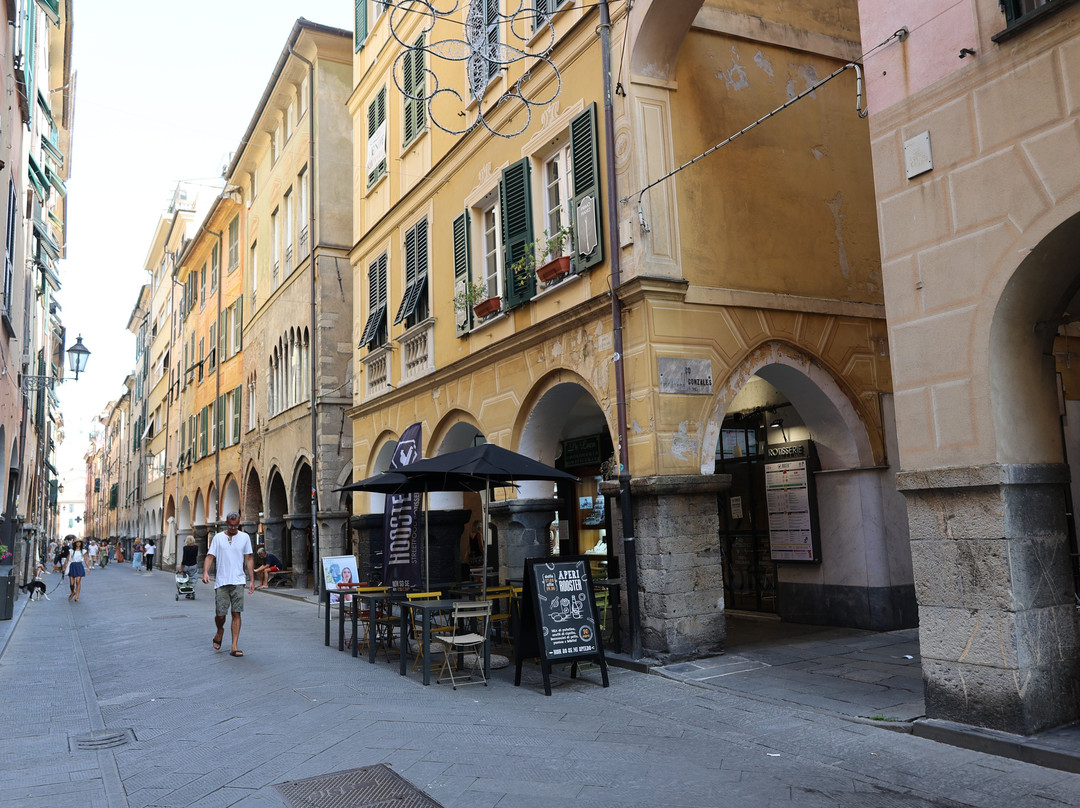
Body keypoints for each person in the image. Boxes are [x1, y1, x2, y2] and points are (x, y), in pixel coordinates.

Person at [203, 512, 254, 657]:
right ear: (226, 523)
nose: (233, 527)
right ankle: (220, 630)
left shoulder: (244, 537)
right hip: (222, 581)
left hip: (238, 580)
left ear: (239, 523)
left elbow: (249, 558)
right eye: (231, 525)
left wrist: (251, 580)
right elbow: (210, 556)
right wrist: (205, 572)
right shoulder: (218, 538)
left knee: (236, 613)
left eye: (236, 525)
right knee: (220, 614)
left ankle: (234, 646)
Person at [65, 536, 88, 602]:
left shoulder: (83, 551)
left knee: (78, 581)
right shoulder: (71, 551)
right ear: (75, 544)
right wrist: (64, 566)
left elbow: (86, 559)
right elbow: (67, 559)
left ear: (81, 543)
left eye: (79, 542)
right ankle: (73, 592)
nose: (78, 543)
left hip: (79, 565)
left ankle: (77, 596)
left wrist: (88, 567)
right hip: (72, 565)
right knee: (71, 584)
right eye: (77, 542)